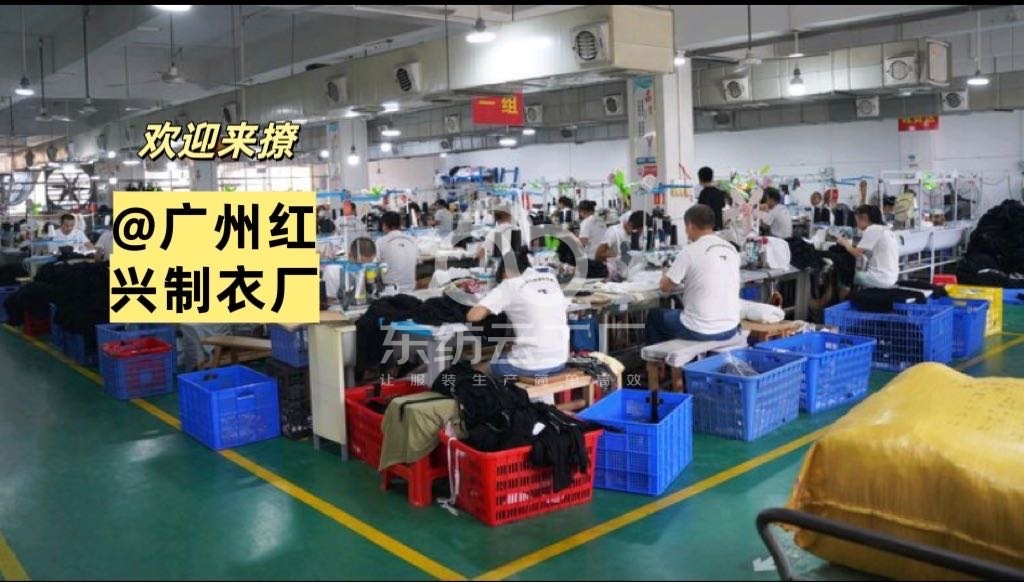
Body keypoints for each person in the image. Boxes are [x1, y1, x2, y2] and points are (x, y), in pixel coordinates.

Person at [467, 246, 569, 381]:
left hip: (532, 366)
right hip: (560, 360)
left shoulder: (510, 284)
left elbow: (473, 316)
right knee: (509, 350)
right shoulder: (550, 278)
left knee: (477, 369)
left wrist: (492, 304)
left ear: (505, 272)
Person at [647, 204, 741, 343]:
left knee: (655, 316)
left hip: (701, 329)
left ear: (690, 226)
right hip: (730, 327)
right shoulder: (731, 249)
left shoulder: (689, 251)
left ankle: (656, 357)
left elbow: (665, 287)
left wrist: (665, 273)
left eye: (686, 228)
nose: (686, 232)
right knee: (681, 310)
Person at [835, 205, 899, 290]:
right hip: (891, 278)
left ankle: (843, 297)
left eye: (857, 221)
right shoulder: (887, 230)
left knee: (841, 274)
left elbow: (857, 253)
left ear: (864, 218)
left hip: (878, 278)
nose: (857, 225)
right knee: (850, 272)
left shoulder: (873, 229)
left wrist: (844, 243)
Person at [376, 211, 418, 293]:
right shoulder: (412, 240)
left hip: (391, 291)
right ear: (400, 225)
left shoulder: (380, 242)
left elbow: (374, 264)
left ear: (384, 225)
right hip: (411, 288)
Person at [696, 167, 728, 231]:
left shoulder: (703, 194)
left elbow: (701, 212)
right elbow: (723, 205)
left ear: (700, 179)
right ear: (712, 178)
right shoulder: (719, 192)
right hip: (719, 225)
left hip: (708, 227)